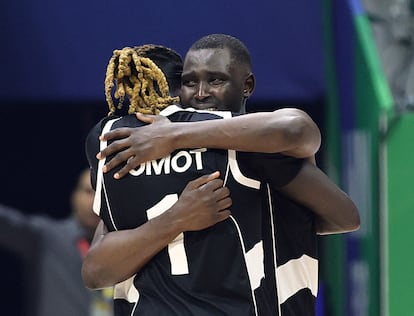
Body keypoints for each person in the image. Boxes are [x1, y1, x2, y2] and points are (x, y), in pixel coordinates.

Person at [83, 37, 359, 316]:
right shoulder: (249, 152)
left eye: (215, 80)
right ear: (177, 91)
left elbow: (95, 272)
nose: (201, 93)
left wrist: (173, 136)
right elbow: (346, 216)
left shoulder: (118, 149)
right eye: (191, 83)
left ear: (247, 85)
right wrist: (177, 218)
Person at [0, 168, 114, 316]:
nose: (94, 201)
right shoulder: (47, 237)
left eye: (102, 194)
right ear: (74, 196)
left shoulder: (123, 247)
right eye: (88, 192)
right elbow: (6, 223)